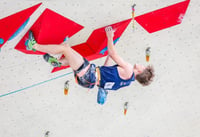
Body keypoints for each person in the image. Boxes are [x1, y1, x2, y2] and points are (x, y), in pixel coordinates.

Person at [26, 26, 154, 105]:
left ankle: (34, 46)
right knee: (72, 55)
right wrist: (109, 58)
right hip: (88, 79)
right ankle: (59, 63)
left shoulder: (129, 69)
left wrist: (110, 37)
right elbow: (106, 76)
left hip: (90, 74)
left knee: (66, 49)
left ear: (142, 71)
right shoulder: (127, 81)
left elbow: (113, 53)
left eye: (144, 67)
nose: (142, 65)